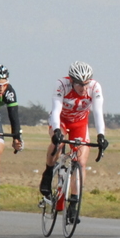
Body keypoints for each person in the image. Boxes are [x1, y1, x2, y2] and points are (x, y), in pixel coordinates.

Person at [40, 62, 108, 211]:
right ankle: (48, 172)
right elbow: (56, 109)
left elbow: (98, 112)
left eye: (86, 84)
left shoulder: (95, 87)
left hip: (79, 122)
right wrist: (56, 130)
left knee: (81, 162)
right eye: (79, 84)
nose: (83, 88)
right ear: (71, 81)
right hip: (61, 121)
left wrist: (101, 135)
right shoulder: (62, 85)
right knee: (58, 144)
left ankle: (74, 202)